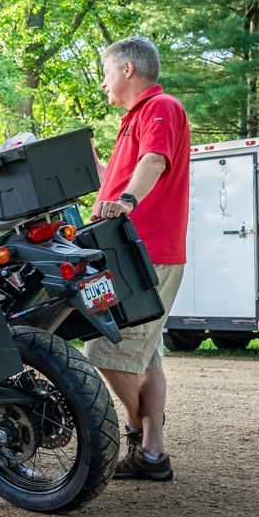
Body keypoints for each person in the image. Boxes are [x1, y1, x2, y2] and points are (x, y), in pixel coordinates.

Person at [86, 36, 190, 482]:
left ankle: (136, 429)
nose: (104, 83)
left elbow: (154, 161)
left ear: (127, 69)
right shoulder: (134, 118)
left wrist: (126, 200)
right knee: (148, 359)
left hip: (146, 253)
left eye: (106, 72)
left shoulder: (160, 107)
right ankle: (153, 455)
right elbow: (117, 178)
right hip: (134, 251)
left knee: (103, 349)